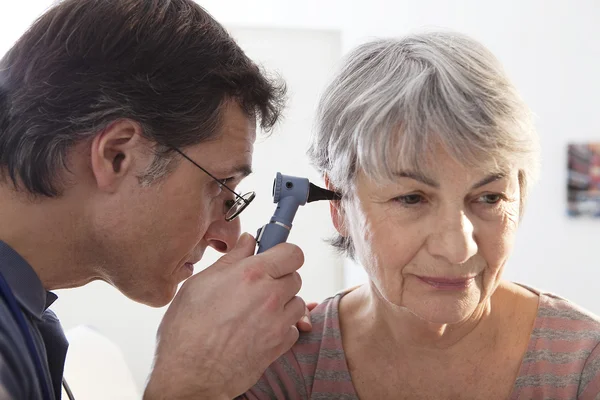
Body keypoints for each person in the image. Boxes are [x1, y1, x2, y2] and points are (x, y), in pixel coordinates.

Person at [242, 32, 600, 399]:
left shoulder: (585, 365)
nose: (457, 249)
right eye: (412, 198)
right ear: (339, 206)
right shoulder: (279, 369)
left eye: (490, 197)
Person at [0, 0, 314, 399]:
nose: (228, 238)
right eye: (219, 185)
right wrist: (189, 383)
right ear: (118, 155)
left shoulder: (23, 315)